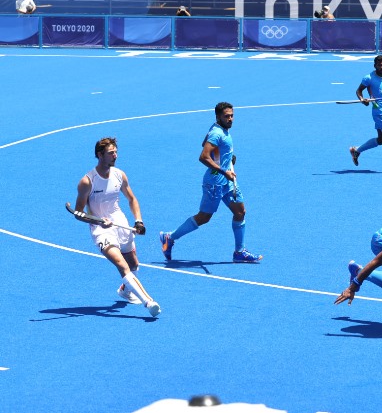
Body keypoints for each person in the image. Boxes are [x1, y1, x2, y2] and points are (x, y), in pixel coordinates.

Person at [159, 102, 263, 263]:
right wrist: (223, 170)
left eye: (232, 116)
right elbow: (203, 156)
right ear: (218, 117)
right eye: (226, 116)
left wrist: (226, 159)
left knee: (240, 212)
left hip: (227, 182)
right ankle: (169, 237)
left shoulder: (218, 128)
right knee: (204, 217)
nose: (230, 119)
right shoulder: (217, 133)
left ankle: (239, 252)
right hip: (215, 183)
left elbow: (206, 144)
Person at [73, 137, 161, 317]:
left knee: (134, 263)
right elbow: (78, 213)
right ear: (100, 155)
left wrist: (138, 221)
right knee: (122, 265)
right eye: (111, 153)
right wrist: (98, 221)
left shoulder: (119, 175)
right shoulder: (87, 181)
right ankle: (149, 302)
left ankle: (125, 291)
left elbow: (132, 199)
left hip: (121, 223)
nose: (115, 156)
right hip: (101, 229)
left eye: (115, 152)